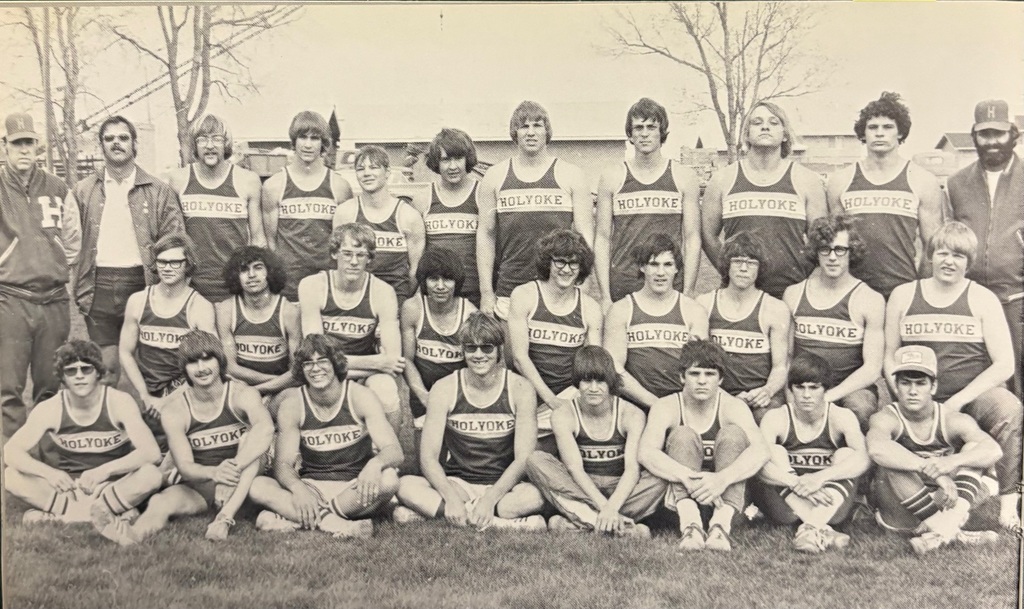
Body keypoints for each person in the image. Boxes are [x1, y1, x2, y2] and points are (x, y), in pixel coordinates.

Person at [884, 221, 1022, 529]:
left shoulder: (982, 298)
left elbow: (1004, 364)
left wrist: (958, 400)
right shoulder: (904, 295)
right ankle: (878, 494)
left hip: (968, 395)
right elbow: (889, 355)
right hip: (919, 394)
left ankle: (1008, 503)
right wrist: (905, 398)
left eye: (958, 256)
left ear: (969, 262)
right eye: (943, 253)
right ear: (930, 255)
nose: (949, 261)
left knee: (1008, 407)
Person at [92, 330, 274, 544]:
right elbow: (186, 466)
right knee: (162, 501)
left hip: (246, 478)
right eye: (193, 362)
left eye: (208, 359)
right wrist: (216, 473)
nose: (201, 368)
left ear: (220, 360)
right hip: (203, 482)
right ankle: (132, 536)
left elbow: (266, 429)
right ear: (184, 369)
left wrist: (232, 469)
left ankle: (225, 518)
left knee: (250, 441)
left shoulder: (241, 394)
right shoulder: (175, 410)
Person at [394, 312, 546, 530]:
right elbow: (428, 458)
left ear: (499, 351)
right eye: (471, 348)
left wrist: (490, 499)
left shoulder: (520, 388)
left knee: (536, 496)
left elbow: (523, 459)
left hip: (504, 486)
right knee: (405, 485)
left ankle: (445, 515)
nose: (479, 355)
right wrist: (452, 498)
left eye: (487, 348)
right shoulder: (444, 388)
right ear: (462, 351)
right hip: (460, 484)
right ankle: (500, 523)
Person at [249, 335, 403, 537]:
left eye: (322, 361)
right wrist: (298, 489)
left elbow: (395, 451)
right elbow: (283, 464)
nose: (315, 369)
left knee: (389, 478)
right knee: (258, 485)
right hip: (313, 485)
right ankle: (335, 522)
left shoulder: (360, 396)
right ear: (301, 370)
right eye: (308, 364)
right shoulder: (294, 404)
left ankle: (302, 518)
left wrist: (374, 465)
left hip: (354, 485)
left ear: (335, 363)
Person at [73, 115, 184, 385]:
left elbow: (175, 239)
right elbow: (71, 242)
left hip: (143, 282)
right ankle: (111, 421)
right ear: (101, 146)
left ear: (135, 144)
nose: (116, 143)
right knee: (107, 367)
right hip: (98, 284)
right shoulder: (83, 190)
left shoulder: (159, 191)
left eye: (123, 138)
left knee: (151, 367)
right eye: (109, 139)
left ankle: (151, 421)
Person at [4, 340, 161, 525]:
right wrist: (49, 473)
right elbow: (10, 452)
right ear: (62, 377)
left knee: (152, 475)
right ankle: (105, 513)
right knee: (11, 476)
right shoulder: (50, 408)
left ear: (98, 372)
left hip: (110, 485)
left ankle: (64, 517)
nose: (79, 376)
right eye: (71, 371)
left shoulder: (119, 402)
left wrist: (104, 471)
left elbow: (151, 453)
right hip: (68, 489)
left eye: (86, 369)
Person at [868, 345, 1002, 554]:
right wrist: (931, 469)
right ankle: (951, 530)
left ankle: (941, 532)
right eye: (905, 383)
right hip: (901, 512)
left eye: (920, 383)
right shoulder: (886, 418)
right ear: (895, 386)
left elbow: (993, 450)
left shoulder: (951, 419)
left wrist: (951, 462)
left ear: (933, 386)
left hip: (943, 501)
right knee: (889, 461)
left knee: (974, 449)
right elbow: (877, 450)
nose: (912, 391)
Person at [638, 339, 769, 552]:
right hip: (682, 502)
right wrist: (686, 477)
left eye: (710, 374)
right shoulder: (667, 406)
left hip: (726, 502)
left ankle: (720, 528)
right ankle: (691, 527)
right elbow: (646, 452)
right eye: (694, 374)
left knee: (734, 435)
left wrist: (722, 479)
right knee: (682, 435)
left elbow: (761, 450)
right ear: (682, 376)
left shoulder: (733, 406)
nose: (702, 381)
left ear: (721, 379)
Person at [525, 346, 666, 537]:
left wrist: (611, 507)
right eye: (586, 381)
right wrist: (604, 507)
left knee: (661, 476)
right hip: (581, 487)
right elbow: (574, 468)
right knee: (535, 460)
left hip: (622, 490)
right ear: (577, 382)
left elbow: (632, 470)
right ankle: (617, 527)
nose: (593, 388)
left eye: (600, 381)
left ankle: (581, 522)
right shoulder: (564, 414)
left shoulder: (631, 414)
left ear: (610, 383)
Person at [1, 112, 81, 440]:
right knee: (8, 388)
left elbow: (73, 239)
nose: (23, 150)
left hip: (53, 300)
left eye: (29, 143)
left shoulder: (58, 187)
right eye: (16, 143)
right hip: (11, 299)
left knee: (50, 385)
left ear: (37, 147)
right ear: (5, 146)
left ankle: (47, 454)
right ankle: (14, 463)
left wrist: (54, 262)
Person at [477, 100, 593, 320]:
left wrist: (583, 285)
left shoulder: (571, 175)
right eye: (524, 126)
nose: (531, 132)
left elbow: (585, 236)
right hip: (511, 285)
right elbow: (486, 235)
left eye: (537, 125)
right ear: (515, 133)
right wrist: (486, 293)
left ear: (547, 131)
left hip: (560, 287)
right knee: (513, 354)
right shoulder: (495, 177)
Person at [701, 101, 828, 299]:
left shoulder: (807, 181)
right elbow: (708, 236)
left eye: (774, 122)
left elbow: (821, 241)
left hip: (790, 293)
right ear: (746, 134)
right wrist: (731, 273)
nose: (765, 126)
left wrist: (804, 285)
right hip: (739, 294)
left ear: (785, 134)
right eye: (757, 122)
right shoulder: (722, 180)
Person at [827, 92, 944, 299]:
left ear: (900, 133)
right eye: (872, 127)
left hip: (901, 289)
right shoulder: (841, 181)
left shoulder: (922, 181)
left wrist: (919, 290)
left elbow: (932, 246)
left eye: (888, 127)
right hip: (851, 291)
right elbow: (832, 243)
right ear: (863, 134)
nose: (879, 133)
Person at [751, 352, 870, 553]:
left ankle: (811, 527)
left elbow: (863, 459)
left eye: (814, 388)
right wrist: (795, 482)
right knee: (774, 452)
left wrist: (819, 478)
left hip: (829, 502)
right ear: (790, 389)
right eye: (800, 387)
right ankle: (819, 528)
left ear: (826, 389)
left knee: (846, 455)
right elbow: (758, 465)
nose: (806, 395)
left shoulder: (841, 417)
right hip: (786, 507)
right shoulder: (776, 418)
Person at [947, 99, 1023, 402]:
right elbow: (948, 239)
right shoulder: (956, 183)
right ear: (974, 136)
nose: (992, 141)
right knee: (976, 385)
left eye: (999, 133)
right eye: (984, 134)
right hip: (971, 298)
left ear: (1013, 135)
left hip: (1017, 299)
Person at [595, 97, 701, 307]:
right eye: (638, 127)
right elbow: (603, 238)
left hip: (669, 283)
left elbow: (692, 238)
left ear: (661, 132)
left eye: (651, 127)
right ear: (630, 134)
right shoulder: (612, 177)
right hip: (624, 284)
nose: (644, 133)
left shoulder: (683, 177)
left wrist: (688, 291)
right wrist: (605, 297)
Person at [298, 223, 403, 432]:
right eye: (347, 254)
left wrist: (379, 364)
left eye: (361, 255)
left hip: (361, 372)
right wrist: (376, 362)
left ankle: (388, 459)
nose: (353, 262)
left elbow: (392, 360)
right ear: (335, 253)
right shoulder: (313, 286)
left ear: (370, 258)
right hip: (325, 371)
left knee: (387, 389)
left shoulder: (382, 292)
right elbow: (315, 354)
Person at [783, 216, 885, 431]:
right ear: (815, 252)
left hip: (849, 389)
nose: (832, 257)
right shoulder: (793, 294)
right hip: (805, 387)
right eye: (825, 250)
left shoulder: (869, 299)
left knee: (860, 406)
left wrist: (827, 397)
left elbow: (872, 368)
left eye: (840, 250)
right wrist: (793, 396)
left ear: (852, 252)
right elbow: (787, 357)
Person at [507, 229, 603, 453]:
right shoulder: (525, 295)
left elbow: (593, 363)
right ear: (547, 263)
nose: (566, 269)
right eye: (560, 262)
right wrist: (550, 400)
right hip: (531, 393)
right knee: (526, 457)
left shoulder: (590, 307)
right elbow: (519, 358)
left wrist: (568, 401)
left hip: (569, 394)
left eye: (574, 264)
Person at [119, 234, 216, 446]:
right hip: (145, 389)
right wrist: (144, 395)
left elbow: (212, 363)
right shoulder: (138, 300)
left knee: (175, 448)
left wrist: (167, 401)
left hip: (183, 390)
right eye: (162, 261)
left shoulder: (199, 307)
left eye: (175, 262)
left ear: (188, 264)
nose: (167, 267)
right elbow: (125, 352)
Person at [167, 114, 265, 303]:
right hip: (191, 286)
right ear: (194, 145)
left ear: (226, 144)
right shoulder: (179, 180)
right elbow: (174, 237)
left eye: (217, 139)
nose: (210, 146)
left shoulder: (248, 181)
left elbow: (258, 239)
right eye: (202, 139)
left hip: (234, 285)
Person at [605, 233, 708, 411]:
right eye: (653, 264)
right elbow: (614, 368)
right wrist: (656, 404)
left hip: (680, 406)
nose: (661, 273)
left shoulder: (693, 311)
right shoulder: (621, 309)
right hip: (633, 405)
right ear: (642, 267)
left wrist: (674, 409)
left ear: (677, 269)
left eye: (668, 265)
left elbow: (698, 370)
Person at [697, 233, 790, 421]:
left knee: (768, 418)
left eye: (752, 263)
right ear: (726, 265)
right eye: (737, 261)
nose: (744, 268)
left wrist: (767, 390)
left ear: (760, 268)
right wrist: (724, 397)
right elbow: (698, 363)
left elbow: (781, 366)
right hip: (717, 394)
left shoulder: (775, 308)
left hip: (759, 396)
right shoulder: (705, 304)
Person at [261, 111, 353, 301]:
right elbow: (271, 243)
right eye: (303, 137)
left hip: (328, 284)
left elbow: (345, 242)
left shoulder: (339, 186)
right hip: (289, 285)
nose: (308, 144)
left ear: (323, 143)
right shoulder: (274, 186)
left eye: (315, 138)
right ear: (294, 142)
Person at [332, 145, 425, 302]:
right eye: (361, 169)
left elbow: (416, 270)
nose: (367, 173)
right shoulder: (345, 213)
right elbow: (339, 263)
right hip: (357, 301)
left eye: (374, 168)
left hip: (396, 300)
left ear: (387, 172)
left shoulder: (408, 216)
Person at [401, 247, 476, 423]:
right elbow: (407, 360)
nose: (440, 286)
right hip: (423, 392)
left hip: (459, 393)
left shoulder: (469, 314)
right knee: (427, 449)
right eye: (433, 279)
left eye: (447, 279)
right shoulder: (413, 309)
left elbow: (475, 366)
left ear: (456, 282)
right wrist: (423, 395)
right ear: (424, 281)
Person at [214, 246, 301, 397]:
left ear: (270, 272)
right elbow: (230, 368)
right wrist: (275, 381)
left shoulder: (288, 311)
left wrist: (260, 389)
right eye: (244, 270)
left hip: (280, 392)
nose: (251, 275)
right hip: (240, 389)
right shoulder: (226, 310)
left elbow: (296, 371)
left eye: (258, 267)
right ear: (236, 276)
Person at [422, 128, 481, 306]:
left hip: (473, 292)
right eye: (446, 160)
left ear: (467, 159)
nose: (453, 166)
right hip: (437, 294)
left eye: (458, 159)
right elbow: (418, 254)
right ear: (436, 163)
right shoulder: (424, 198)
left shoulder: (481, 194)